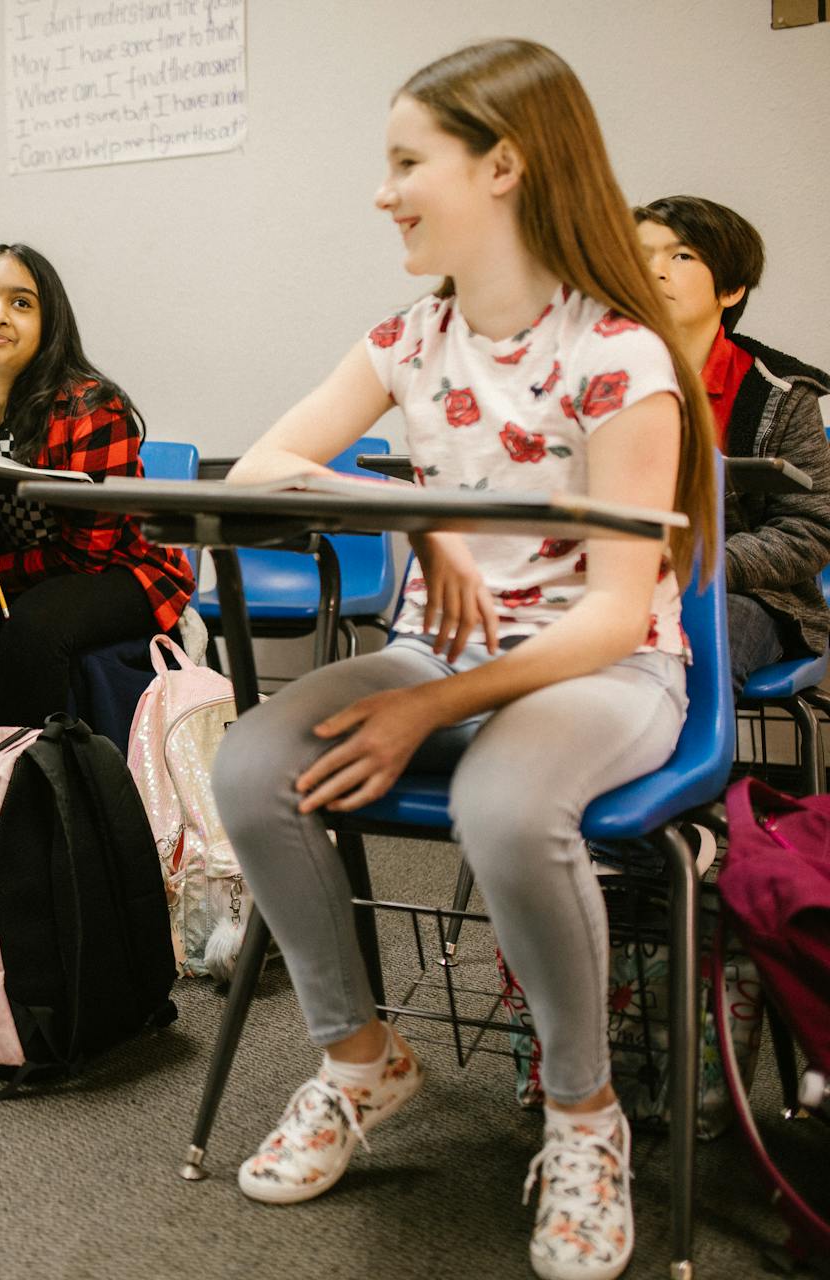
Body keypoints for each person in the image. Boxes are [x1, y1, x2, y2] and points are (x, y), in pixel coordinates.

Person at [207, 41, 716, 1280]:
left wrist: (427, 704)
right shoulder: (408, 338)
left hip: (607, 671)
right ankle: (360, 1060)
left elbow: (615, 615)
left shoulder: (620, 356)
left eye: (405, 162)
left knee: (502, 805)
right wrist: (414, 511)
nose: (383, 192)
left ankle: (585, 1115)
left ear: (503, 166)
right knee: (252, 763)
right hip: (441, 648)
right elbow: (266, 465)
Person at [0, 243, 194, 728]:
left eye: (21, 303)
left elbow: (87, 556)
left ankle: (32, 769)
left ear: (50, 325)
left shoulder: (93, 409)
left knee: (37, 623)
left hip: (124, 569)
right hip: (16, 567)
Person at [634, 195, 830, 690]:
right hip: (617, 580)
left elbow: (810, 528)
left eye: (681, 256)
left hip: (745, 592)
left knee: (691, 649)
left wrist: (696, 566)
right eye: (640, 255)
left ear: (731, 289)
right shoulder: (594, 377)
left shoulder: (780, 393)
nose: (654, 271)